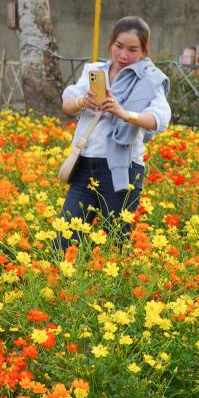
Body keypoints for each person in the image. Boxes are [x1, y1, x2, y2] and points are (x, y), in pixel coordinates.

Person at [58, 16, 171, 249]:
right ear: (111, 43)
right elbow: (67, 105)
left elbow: (160, 119)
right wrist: (82, 101)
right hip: (85, 167)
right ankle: (66, 285)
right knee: (65, 241)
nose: (123, 55)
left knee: (115, 246)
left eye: (132, 49)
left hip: (123, 172)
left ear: (143, 51)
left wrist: (124, 113)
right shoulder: (94, 70)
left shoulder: (149, 79)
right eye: (119, 46)